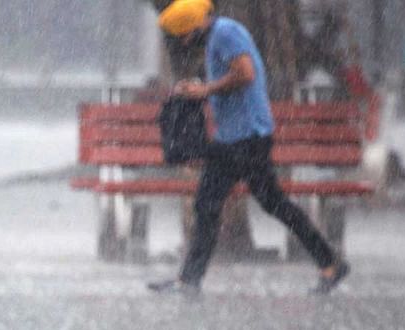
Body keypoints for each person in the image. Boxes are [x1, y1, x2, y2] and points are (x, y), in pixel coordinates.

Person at [148, 0, 351, 295]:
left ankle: (190, 280)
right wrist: (199, 88)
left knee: (221, 204)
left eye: (184, 33)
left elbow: (245, 73)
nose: (183, 40)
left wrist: (205, 89)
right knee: (244, 204)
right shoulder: (221, 35)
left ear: (192, 27)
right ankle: (329, 262)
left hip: (245, 138)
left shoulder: (225, 33)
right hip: (235, 137)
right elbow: (231, 75)